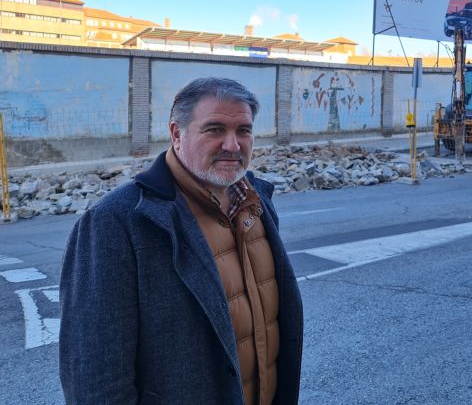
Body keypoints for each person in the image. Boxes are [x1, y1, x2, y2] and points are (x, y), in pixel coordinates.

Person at [60, 77, 303, 404]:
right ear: (177, 134)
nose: (233, 144)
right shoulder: (116, 222)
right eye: (215, 129)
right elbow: (95, 380)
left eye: (243, 131)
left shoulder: (257, 202)